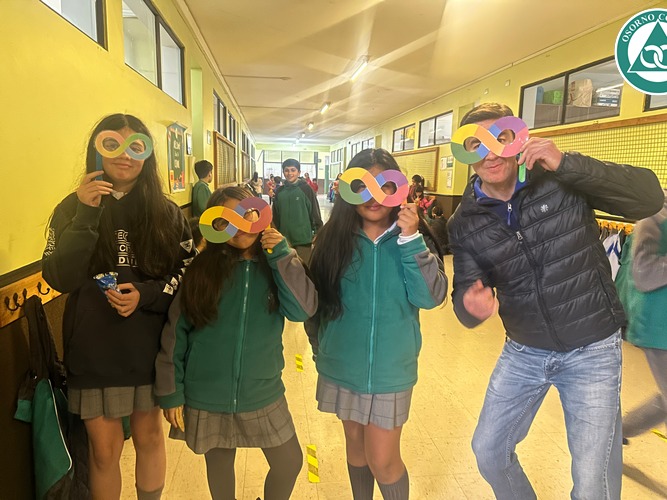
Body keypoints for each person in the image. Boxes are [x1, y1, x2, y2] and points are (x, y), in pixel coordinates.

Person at [446, 102, 664, 499]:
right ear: (465, 152)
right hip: (523, 351)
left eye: (500, 138)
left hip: (593, 350)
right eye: (476, 144)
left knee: (593, 483)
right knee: (489, 452)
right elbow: (464, 290)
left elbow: (648, 198)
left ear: (518, 139)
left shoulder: (561, 179)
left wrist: (567, 163)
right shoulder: (464, 222)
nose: (490, 152)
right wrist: (469, 305)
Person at [42, 113, 196, 500]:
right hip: (93, 349)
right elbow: (59, 277)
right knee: (104, 451)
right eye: (113, 144)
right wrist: (86, 214)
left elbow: (185, 273)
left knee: (149, 437)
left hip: (148, 347)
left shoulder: (167, 212)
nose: (125, 155)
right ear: (97, 149)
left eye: (136, 146)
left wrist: (146, 294)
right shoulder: (71, 207)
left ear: (148, 155)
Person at [155, 186, 317, 500]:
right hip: (206, 392)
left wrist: (281, 255)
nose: (238, 226)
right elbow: (175, 333)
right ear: (213, 226)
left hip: (263, 391)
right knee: (219, 464)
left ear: (261, 216)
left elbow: (302, 309)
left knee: (289, 462)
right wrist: (171, 391)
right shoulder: (201, 271)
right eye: (224, 220)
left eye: (246, 215)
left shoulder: (276, 266)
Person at [307, 148, 447, 500]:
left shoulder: (413, 238)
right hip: (341, 365)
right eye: (362, 185)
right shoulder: (330, 240)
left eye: (384, 185)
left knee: (383, 460)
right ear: (347, 191)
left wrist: (410, 239)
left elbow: (430, 298)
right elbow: (316, 307)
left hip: (390, 370)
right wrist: (321, 350)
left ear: (399, 189)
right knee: (356, 450)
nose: (373, 196)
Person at [615, 192, 667, 444]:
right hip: (657, 329)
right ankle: (616, 433)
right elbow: (644, 274)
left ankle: (618, 432)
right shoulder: (653, 218)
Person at [272, 158, 323, 264]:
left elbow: (314, 212)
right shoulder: (279, 192)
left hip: (303, 240)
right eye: (286, 170)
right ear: (283, 172)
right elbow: (275, 215)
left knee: (303, 269)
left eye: (293, 170)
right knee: (285, 270)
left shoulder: (306, 189)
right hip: (284, 241)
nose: (290, 173)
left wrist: (318, 232)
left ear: (299, 172)